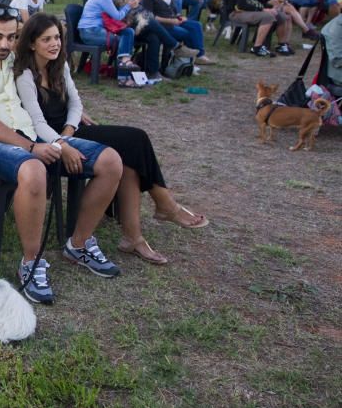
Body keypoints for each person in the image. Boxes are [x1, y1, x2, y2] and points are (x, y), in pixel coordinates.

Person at [0, 3, 124, 305]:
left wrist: (72, 116)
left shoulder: (12, 60)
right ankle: (31, 261)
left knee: (110, 161)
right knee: (33, 169)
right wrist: (31, 147)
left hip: (30, 137)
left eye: (12, 37)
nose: (5, 44)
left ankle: (78, 244)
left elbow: (49, 57)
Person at [14, 13, 207, 266]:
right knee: (133, 145)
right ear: (31, 43)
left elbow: (76, 103)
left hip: (70, 132)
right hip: (48, 140)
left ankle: (137, 233)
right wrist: (64, 142)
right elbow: (37, 123)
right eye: (46, 39)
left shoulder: (59, 64)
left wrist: (71, 129)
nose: (54, 44)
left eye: (57, 38)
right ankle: (159, 210)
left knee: (132, 146)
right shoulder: (25, 76)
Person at [80, 0, 187, 84]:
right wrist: (128, 6)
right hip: (92, 32)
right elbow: (118, 16)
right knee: (131, 33)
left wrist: (135, 5)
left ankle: (152, 72)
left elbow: (130, 15)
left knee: (151, 35)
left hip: (106, 29)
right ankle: (124, 75)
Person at [141, 0, 212, 65]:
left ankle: (199, 55)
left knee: (196, 25)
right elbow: (149, 17)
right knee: (186, 33)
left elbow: (173, 10)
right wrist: (171, 21)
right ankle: (188, 59)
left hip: (174, 20)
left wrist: (179, 17)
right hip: (161, 24)